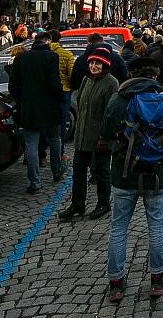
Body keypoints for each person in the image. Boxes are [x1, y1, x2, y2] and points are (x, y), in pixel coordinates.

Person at [101, 57, 163, 302]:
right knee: (157, 226)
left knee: (119, 227)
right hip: (158, 172)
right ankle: (157, 278)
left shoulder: (118, 100)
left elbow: (105, 133)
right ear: (155, 76)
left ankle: (116, 281)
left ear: (131, 75)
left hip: (125, 173)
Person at [59, 48, 118, 221]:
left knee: (101, 172)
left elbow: (110, 113)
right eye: (92, 63)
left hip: (101, 138)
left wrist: (105, 137)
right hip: (82, 136)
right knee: (78, 171)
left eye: (97, 63)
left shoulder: (111, 83)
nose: (93, 66)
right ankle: (77, 204)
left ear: (104, 65)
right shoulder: (86, 79)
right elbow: (80, 102)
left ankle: (103, 203)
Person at [8, 30, 66, 193]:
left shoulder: (21, 58)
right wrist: (60, 98)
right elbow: (55, 84)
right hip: (50, 106)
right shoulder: (51, 57)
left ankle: (35, 182)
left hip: (29, 107)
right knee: (55, 139)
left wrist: (23, 101)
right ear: (47, 42)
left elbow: (13, 86)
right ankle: (57, 171)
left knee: (31, 144)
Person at [49, 29, 75, 160]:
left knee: (46, 122)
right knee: (62, 122)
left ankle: (41, 154)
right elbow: (72, 74)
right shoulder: (66, 54)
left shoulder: (44, 53)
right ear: (59, 40)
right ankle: (60, 152)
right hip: (64, 90)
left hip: (47, 92)